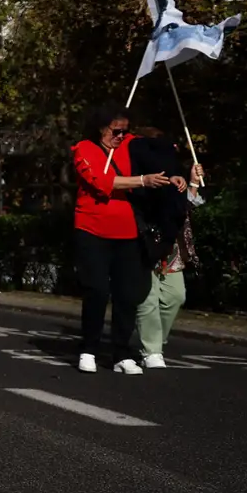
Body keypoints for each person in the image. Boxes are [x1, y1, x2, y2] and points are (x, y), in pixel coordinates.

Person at [71, 103, 176, 375]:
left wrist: (178, 172)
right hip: (92, 229)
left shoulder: (129, 145)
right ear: (100, 128)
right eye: (115, 131)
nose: (119, 136)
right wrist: (142, 180)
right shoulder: (83, 149)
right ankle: (89, 349)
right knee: (96, 290)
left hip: (127, 230)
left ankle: (121, 352)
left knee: (127, 294)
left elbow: (158, 153)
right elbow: (101, 180)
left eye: (124, 131)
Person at [128, 125, 202, 369]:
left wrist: (192, 183)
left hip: (170, 245)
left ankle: (157, 340)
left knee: (175, 295)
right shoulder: (136, 172)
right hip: (143, 240)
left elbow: (184, 208)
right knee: (147, 297)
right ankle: (152, 350)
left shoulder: (174, 175)